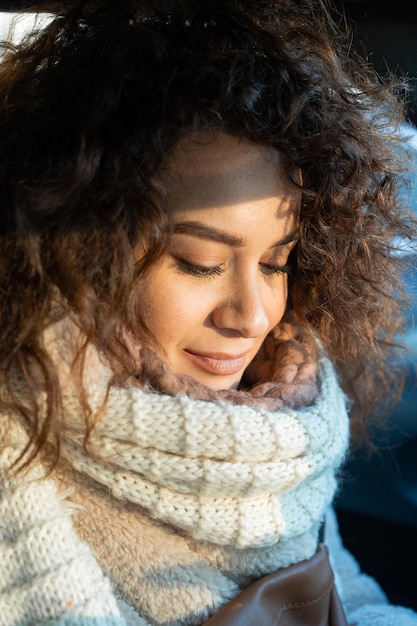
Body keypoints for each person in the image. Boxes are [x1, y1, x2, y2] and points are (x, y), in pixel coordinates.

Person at [0, 0, 416, 624]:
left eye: (277, 262)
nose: (252, 317)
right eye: (198, 262)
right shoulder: (20, 442)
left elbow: (347, 593)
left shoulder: (284, 407)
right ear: (85, 249)